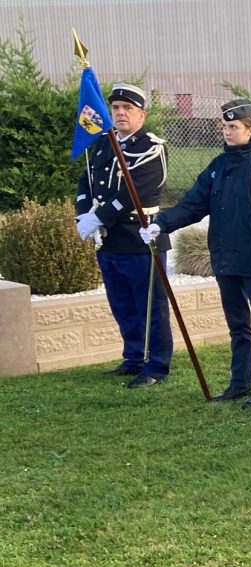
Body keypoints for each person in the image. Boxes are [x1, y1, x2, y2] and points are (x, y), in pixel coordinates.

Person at [143, 99, 251, 407]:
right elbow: (193, 204)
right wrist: (161, 224)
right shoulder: (218, 167)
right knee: (238, 326)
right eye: (225, 127)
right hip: (226, 261)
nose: (228, 132)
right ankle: (239, 383)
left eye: (234, 127)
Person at [75, 82, 171, 388]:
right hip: (109, 239)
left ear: (141, 114)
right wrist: (83, 214)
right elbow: (86, 180)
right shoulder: (104, 143)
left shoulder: (151, 148)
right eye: (115, 108)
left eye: (127, 108)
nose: (120, 113)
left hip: (138, 237)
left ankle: (156, 365)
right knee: (122, 303)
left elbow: (134, 192)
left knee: (149, 306)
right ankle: (133, 358)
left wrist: (99, 216)